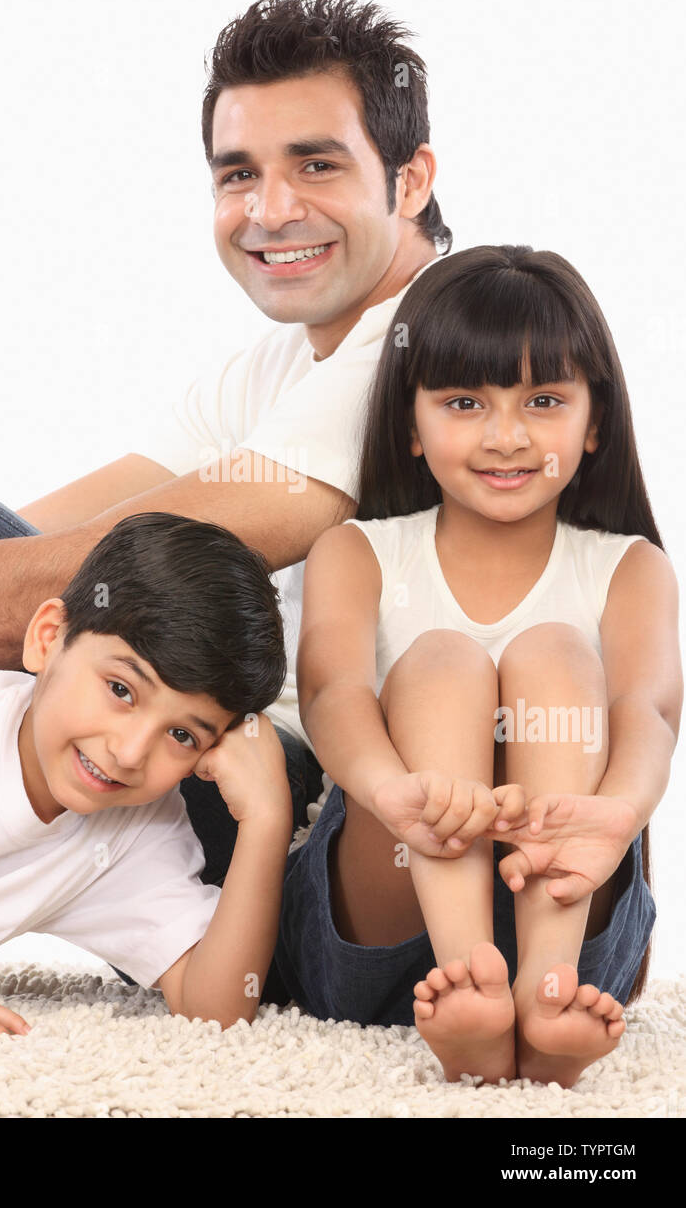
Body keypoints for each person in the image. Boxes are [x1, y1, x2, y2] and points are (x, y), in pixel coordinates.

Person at [0, 0, 451, 881]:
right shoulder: (272, 369)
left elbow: (79, 579)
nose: (269, 210)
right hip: (178, 756)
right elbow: (37, 538)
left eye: (315, 166)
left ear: (410, 178)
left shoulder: (435, 342)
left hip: (290, 809)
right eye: (238, 174)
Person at [267, 245, 681, 1087]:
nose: (506, 436)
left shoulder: (629, 568)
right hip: (383, 922)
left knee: (557, 654)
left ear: (594, 421)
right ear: (410, 426)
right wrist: (398, 797)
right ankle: (470, 979)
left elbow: (650, 713)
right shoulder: (359, 552)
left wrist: (616, 816)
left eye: (543, 400)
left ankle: (543, 994)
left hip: (568, 918)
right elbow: (331, 692)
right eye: (464, 402)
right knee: (444, 660)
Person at [0, 512, 292, 1037]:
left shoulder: (135, 832)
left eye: (182, 736)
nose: (130, 752)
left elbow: (216, 1012)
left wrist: (267, 820)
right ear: (47, 639)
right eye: (121, 689)